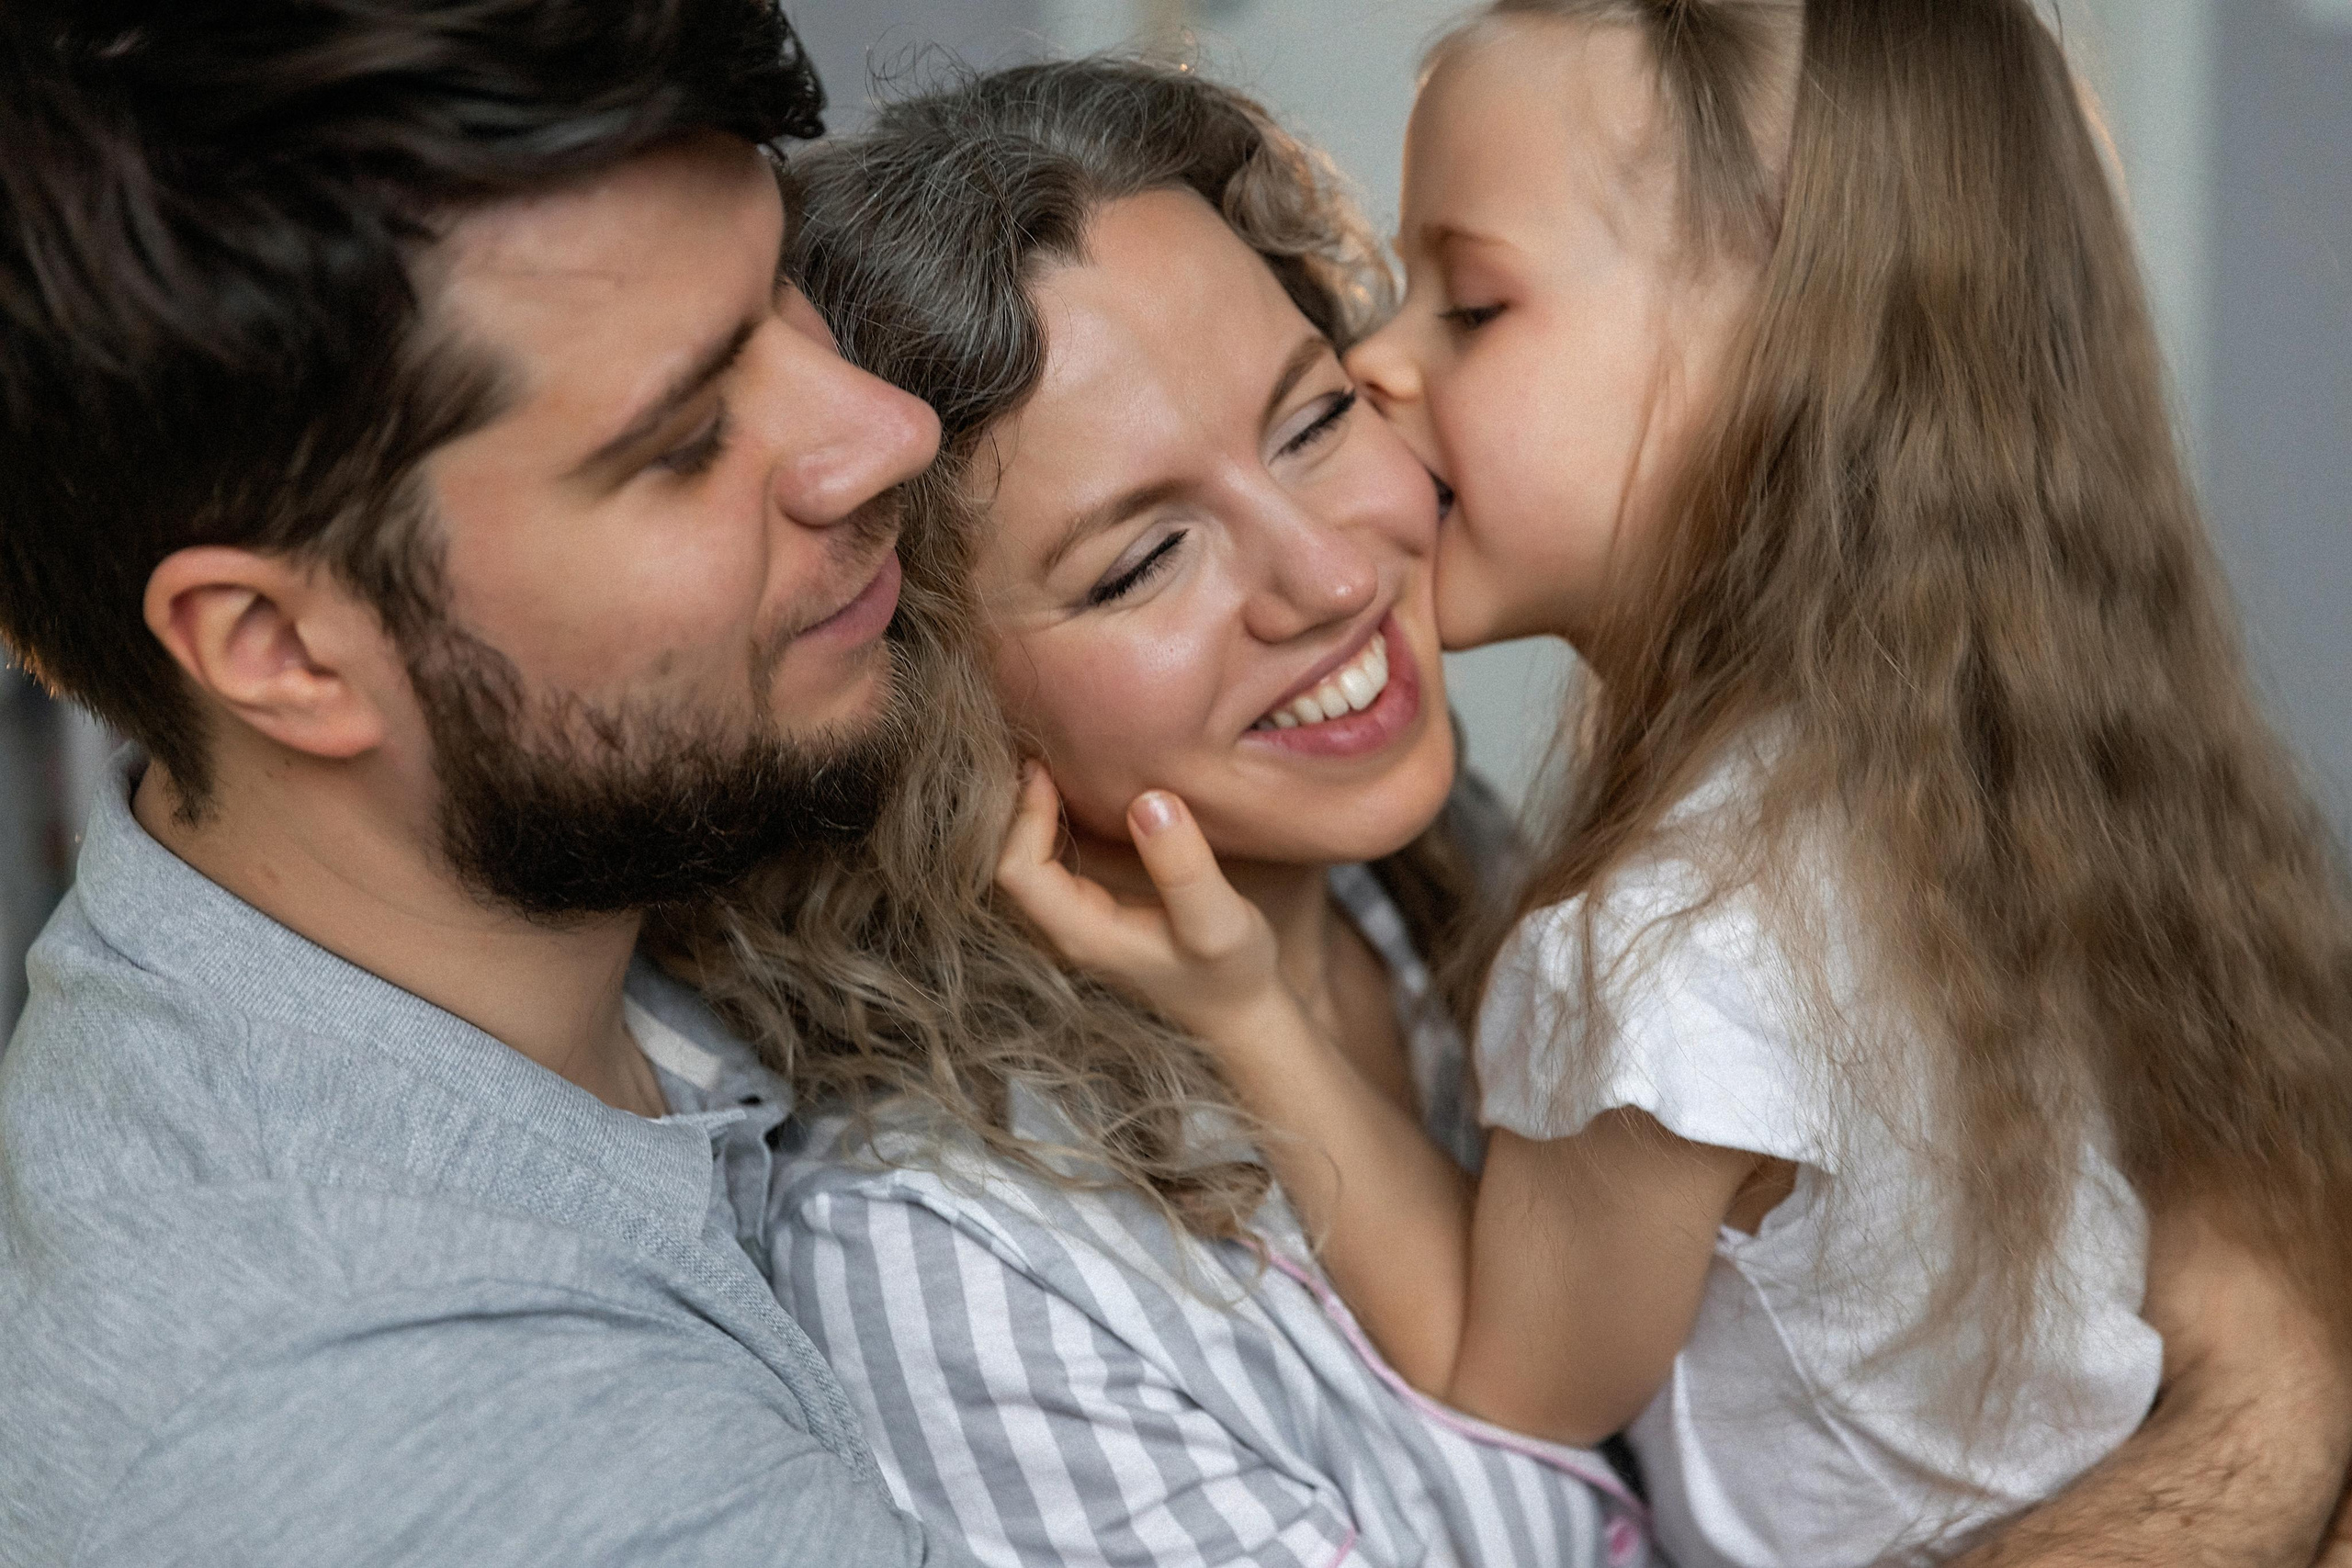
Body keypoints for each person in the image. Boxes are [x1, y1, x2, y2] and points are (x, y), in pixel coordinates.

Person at [660, 56, 2352, 1568]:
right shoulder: (967, 1272)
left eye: (1317, 417)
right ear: (924, 692)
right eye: (1144, 558)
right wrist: (2259, 1425)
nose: (1331, 575)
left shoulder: (1458, 875)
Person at [0, 4, 965, 1562]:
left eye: (784, 278)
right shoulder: (426, 1438)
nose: (890, 430)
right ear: (284, 650)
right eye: (685, 437)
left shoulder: (597, 844)